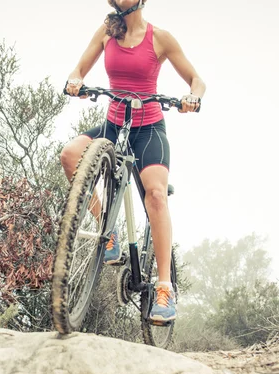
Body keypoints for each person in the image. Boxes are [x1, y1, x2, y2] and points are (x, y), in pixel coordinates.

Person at [61, 0, 205, 323]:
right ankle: (107, 230)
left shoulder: (160, 38)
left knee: (155, 194)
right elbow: (78, 69)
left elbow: (197, 80)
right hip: (113, 126)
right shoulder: (106, 32)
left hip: (148, 130)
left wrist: (192, 97)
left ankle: (165, 288)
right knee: (70, 155)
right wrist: (75, 81)